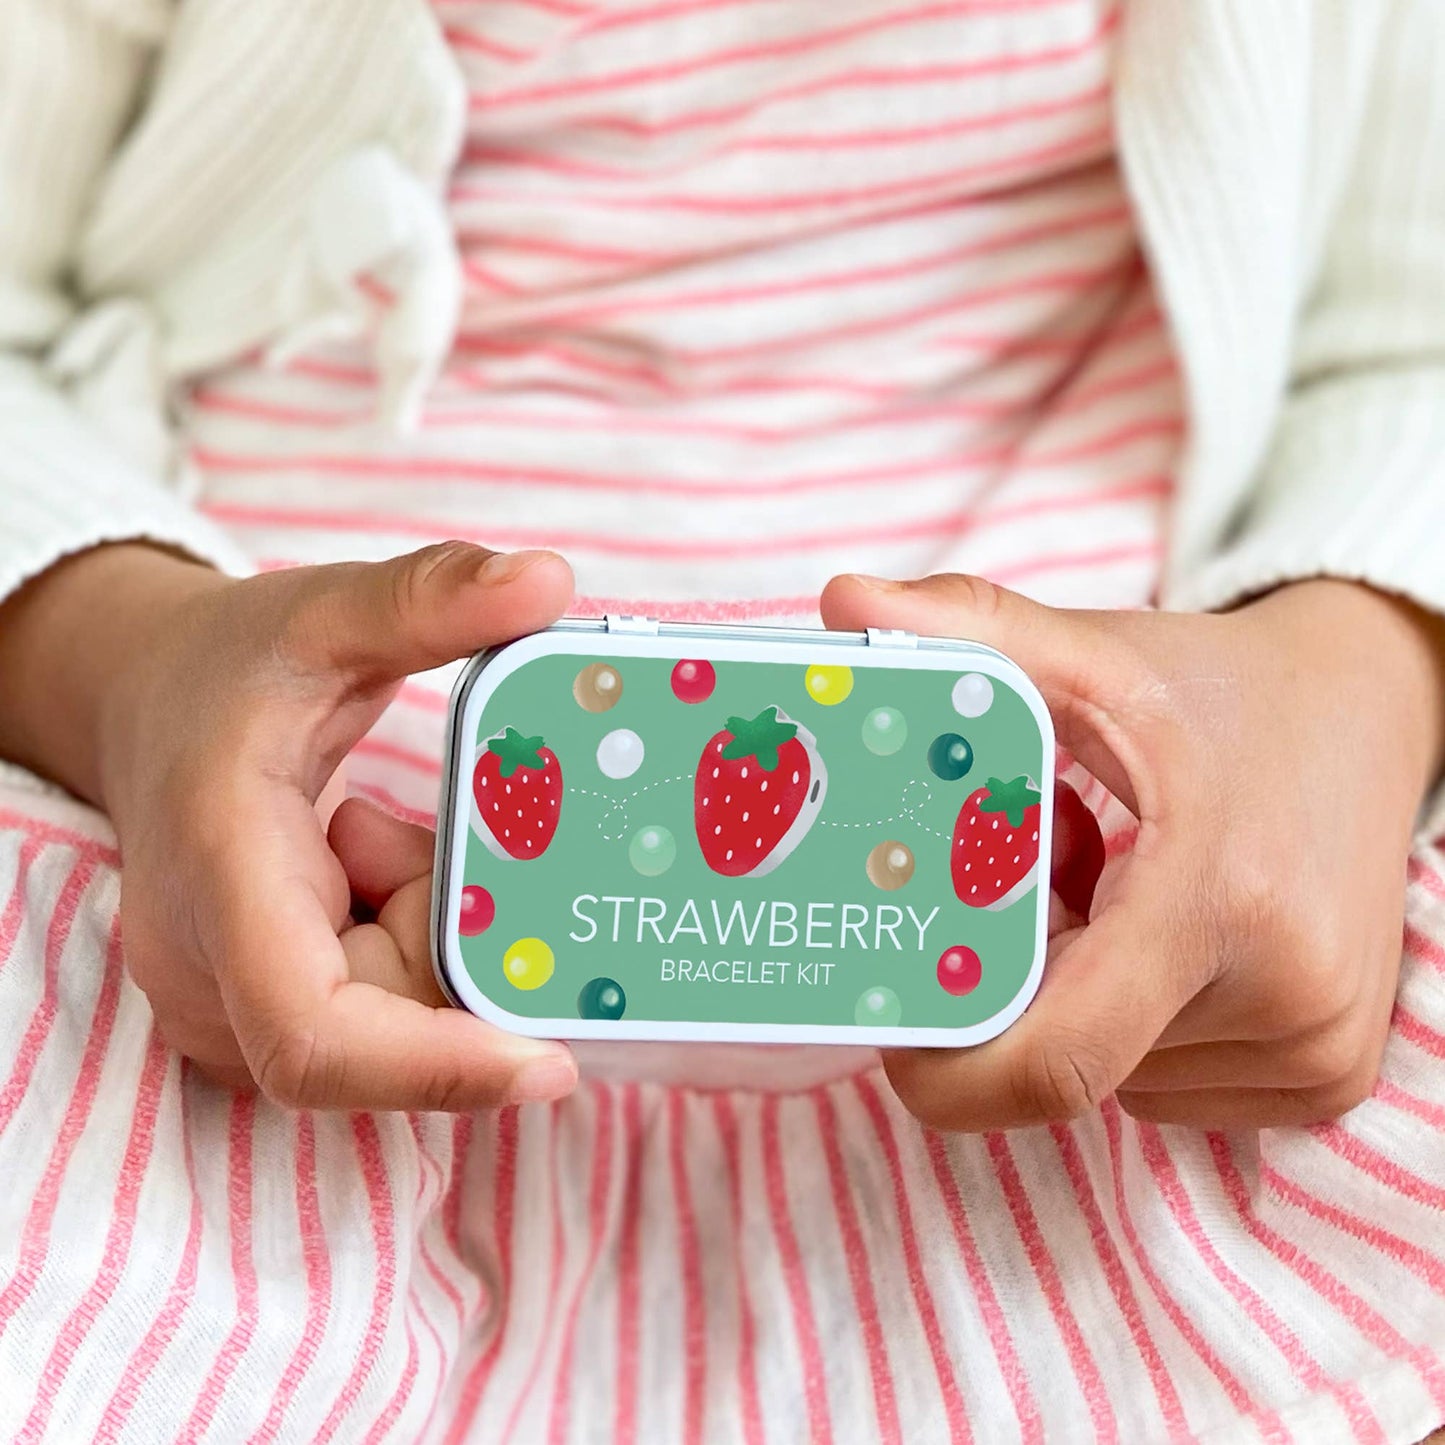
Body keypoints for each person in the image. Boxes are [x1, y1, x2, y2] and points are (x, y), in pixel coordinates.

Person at [1, 1, 1444, 1440]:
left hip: (1126, 959)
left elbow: (1407, 343)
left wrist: (1349, 689)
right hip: (246, 919)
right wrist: (128, 678)